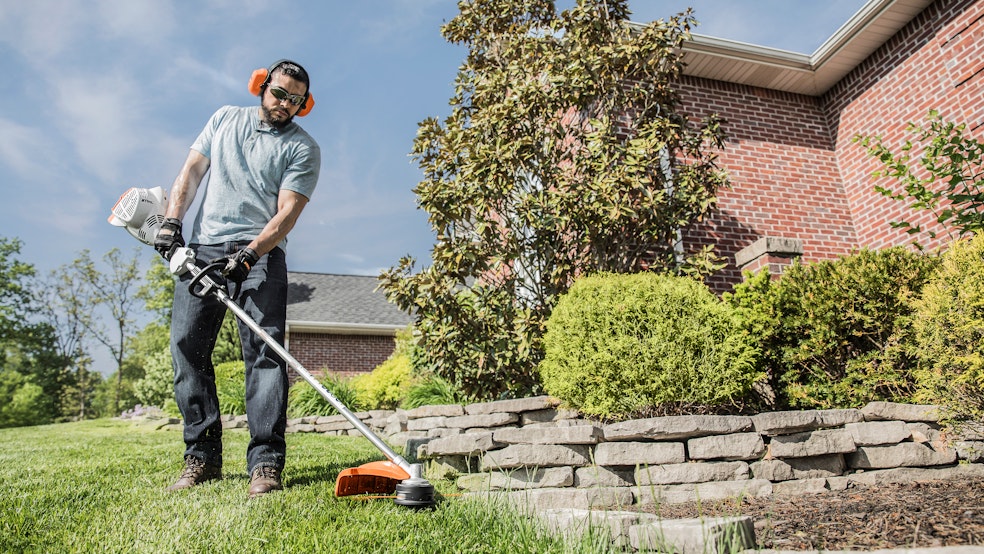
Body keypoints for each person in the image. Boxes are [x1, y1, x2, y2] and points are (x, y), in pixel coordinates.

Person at [154, 59, 321, 498]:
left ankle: (265, 463)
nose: (284, 103)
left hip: (262, 253)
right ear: (261, 86)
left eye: (295, 100)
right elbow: (191, 172)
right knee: (187, 347)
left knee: (265, 351)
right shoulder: (225, 118)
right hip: (205, 250)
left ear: (304, 105)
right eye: (279, 93)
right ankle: (202, 457)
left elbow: (286, 213)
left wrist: (250, 254)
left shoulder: (303, 148)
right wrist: (173, 221)